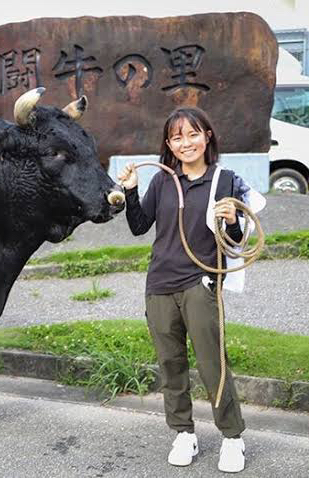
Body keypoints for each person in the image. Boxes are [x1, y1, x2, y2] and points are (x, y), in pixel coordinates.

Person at [117, 107, 264, 474]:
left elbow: (235, 241)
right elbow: (139, 226)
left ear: (207, 136)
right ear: (169, 144)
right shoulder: (164, 181)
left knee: (213, 362)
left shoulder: (224, 180)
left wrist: (232, 222)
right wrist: (131, 191)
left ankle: (232, 437)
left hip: (199, 284)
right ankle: (183, 432)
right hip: (159, 286)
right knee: (171, 365)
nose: (186, 143)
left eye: (193, 134)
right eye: (177, 137)